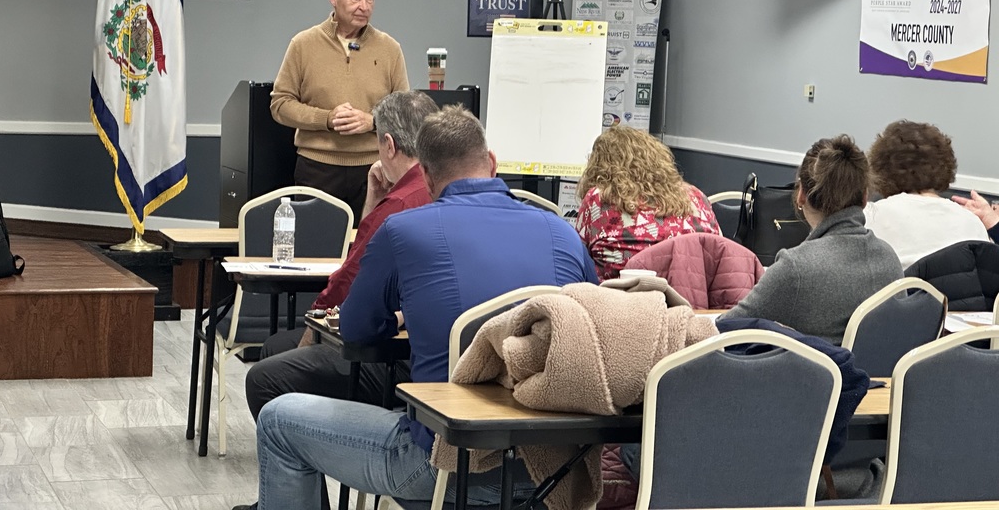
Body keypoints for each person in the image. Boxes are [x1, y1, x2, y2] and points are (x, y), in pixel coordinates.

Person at [237, 106, 598, 510]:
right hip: (553, 473)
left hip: (444, 464)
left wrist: (401, 316)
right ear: (492, 162)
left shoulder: (404, 231)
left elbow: (355, 330)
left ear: (425, 176)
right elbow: (590, 330)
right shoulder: (563, 234)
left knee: (279, 420)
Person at [244, 90, 438, 420]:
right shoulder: (436, 188)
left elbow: (351, 277)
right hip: (430, 347)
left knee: (266, 374)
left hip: (396, 358)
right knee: (278, 349)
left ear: (388, 145)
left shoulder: (398, 206)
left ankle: (308, 448)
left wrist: (311, 335)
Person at [720, 135, 903, 344]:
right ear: (864, 197)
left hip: (814, 376)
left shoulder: (795, 268)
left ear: (801, 195)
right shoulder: (890, 260)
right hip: (877, 376)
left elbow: (724, 330)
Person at [270, 0, 409, 222]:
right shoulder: (303, 44)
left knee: (368, 250)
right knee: (314, 249)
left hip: (375, 170)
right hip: (316, 169)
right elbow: (280, 104)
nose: (364, 6)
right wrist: (327, 118)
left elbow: (405, 112)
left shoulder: (390, 48)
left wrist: (373, 122)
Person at [574, 125, 721, 281]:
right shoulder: (696, 196)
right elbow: (720, 252)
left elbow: (577, 257)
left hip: (622, 299)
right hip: (694, 299)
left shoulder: (598, 199)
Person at [864, 120, 988, 269]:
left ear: (879, 167)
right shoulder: (972, 222)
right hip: (958, 292)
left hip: (897, 291)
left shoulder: (871, 217)